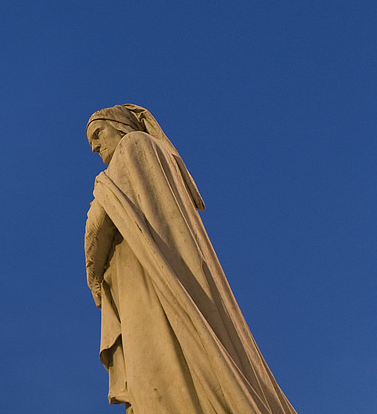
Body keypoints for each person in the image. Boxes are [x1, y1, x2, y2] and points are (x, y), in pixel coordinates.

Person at [84, 105, 298, 414]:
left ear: (120, 126)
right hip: (142, 277)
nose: (94, 146)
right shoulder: (159, 158)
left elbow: (98, 223)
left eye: (97, 133)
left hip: (152, 286)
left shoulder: (134, 146)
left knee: (160, 372)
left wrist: (92, 277)